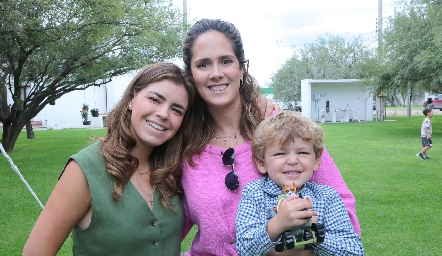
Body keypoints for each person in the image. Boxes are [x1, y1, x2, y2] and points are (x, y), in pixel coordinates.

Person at [180, 18, 361, 255]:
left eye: (226, 61)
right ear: (191, 75)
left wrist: (307, 244)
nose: (216, 73)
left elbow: (342, 207)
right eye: (203, 64)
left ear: (241, 68)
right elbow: (164, 225)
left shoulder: (284, 128)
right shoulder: (183, 143)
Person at [23, 62, 194, 255]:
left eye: (176, 110)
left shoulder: (172, 171)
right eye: (155, 99)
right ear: (131, 98)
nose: (163, 114)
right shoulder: (83, 170)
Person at [236, 111, 364, 255]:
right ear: (261, 163)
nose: (292, 160)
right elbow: (244, 249)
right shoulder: (254, 193)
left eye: (302, 152)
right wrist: (277, 224)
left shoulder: (327, 197)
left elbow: (354, 251)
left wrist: (316, 236)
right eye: (280, 153)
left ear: (316, 161)